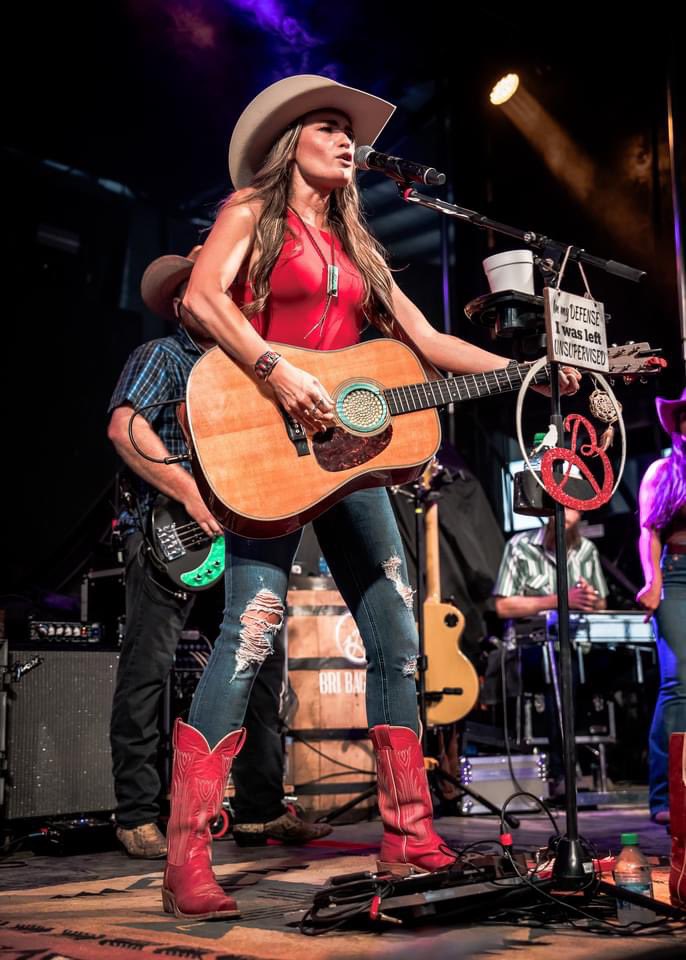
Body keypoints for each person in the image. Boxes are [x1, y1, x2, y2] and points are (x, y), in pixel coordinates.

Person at [161, 73, 582, 920]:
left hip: (348, 458)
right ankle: (187, 857)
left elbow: (424, 339)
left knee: (398, 636)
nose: (346, 140)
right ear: (291, 143)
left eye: (348, 130)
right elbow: (202, 297)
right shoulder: (251, 210)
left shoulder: (356, 245)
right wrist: (277, 372)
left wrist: (525, 373)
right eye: (327, 126)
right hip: (264, 441)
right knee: (249, 635)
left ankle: (408, 835)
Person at [107, 246, 330, 859]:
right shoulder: (163, 355)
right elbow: (125, 427)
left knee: (260, 668)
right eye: (203, 288)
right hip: (169, 536)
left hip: (236, 539)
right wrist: (189, 494)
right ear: (183, 303)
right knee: (148, 670)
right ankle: (136, 815)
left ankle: (259, 808)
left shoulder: (250, 369)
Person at [493, 507, 608, 794]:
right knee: (556, 666)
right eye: (562, 507)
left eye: (574, 509)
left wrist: (590, 599)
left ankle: (611, 767)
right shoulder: (519, 547)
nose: (568, 514)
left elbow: (601, 604)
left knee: (613, 665)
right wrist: (560, 600)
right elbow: (503, 606)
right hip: (528, 649)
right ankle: (562, 772)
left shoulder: (587, 550)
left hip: (579, 647)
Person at [636, 387, 686, 826]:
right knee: (679, 681)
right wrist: (653, 582)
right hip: (677, 577)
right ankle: (665, 794)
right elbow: (648, 533)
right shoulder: (663, 472)